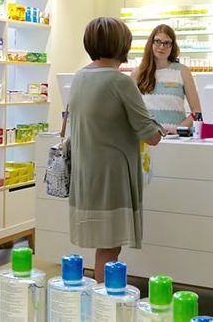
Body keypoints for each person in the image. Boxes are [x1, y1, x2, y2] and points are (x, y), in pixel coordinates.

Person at [68, 17, 163, 282]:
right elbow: (151, 136)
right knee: (110, 248)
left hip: (86, 173)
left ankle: (102, 300)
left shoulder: (79, 77)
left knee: (104, 246)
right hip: (112, 177)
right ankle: (105, 302)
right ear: (122, 44)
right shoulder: (120, 82)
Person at [132, 24, 202, 134]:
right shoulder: (138, 73)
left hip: (175, 140)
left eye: (167, 43)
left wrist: (178, 129)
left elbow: (197, 111)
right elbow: (132, 111)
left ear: (172, 46)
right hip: (147, 138)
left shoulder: (182, 71)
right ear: (151, 43)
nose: (162, 46)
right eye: (157, 41)